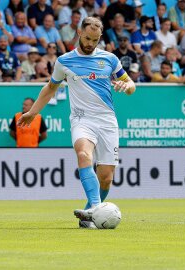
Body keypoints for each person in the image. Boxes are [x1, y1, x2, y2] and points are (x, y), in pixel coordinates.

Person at [17, 17, 136, 229]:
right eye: (88, 38)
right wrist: (33, 112)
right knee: (83, 154)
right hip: (82, 119)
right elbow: (50, 89)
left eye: (96, 40)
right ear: (79, 33)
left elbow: (131, 84)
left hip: (107, 121)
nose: (91, 43)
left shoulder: (109, 59)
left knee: (106, 179)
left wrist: (126, 87)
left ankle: (88, 213)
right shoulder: (64, 61)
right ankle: (97, 210)